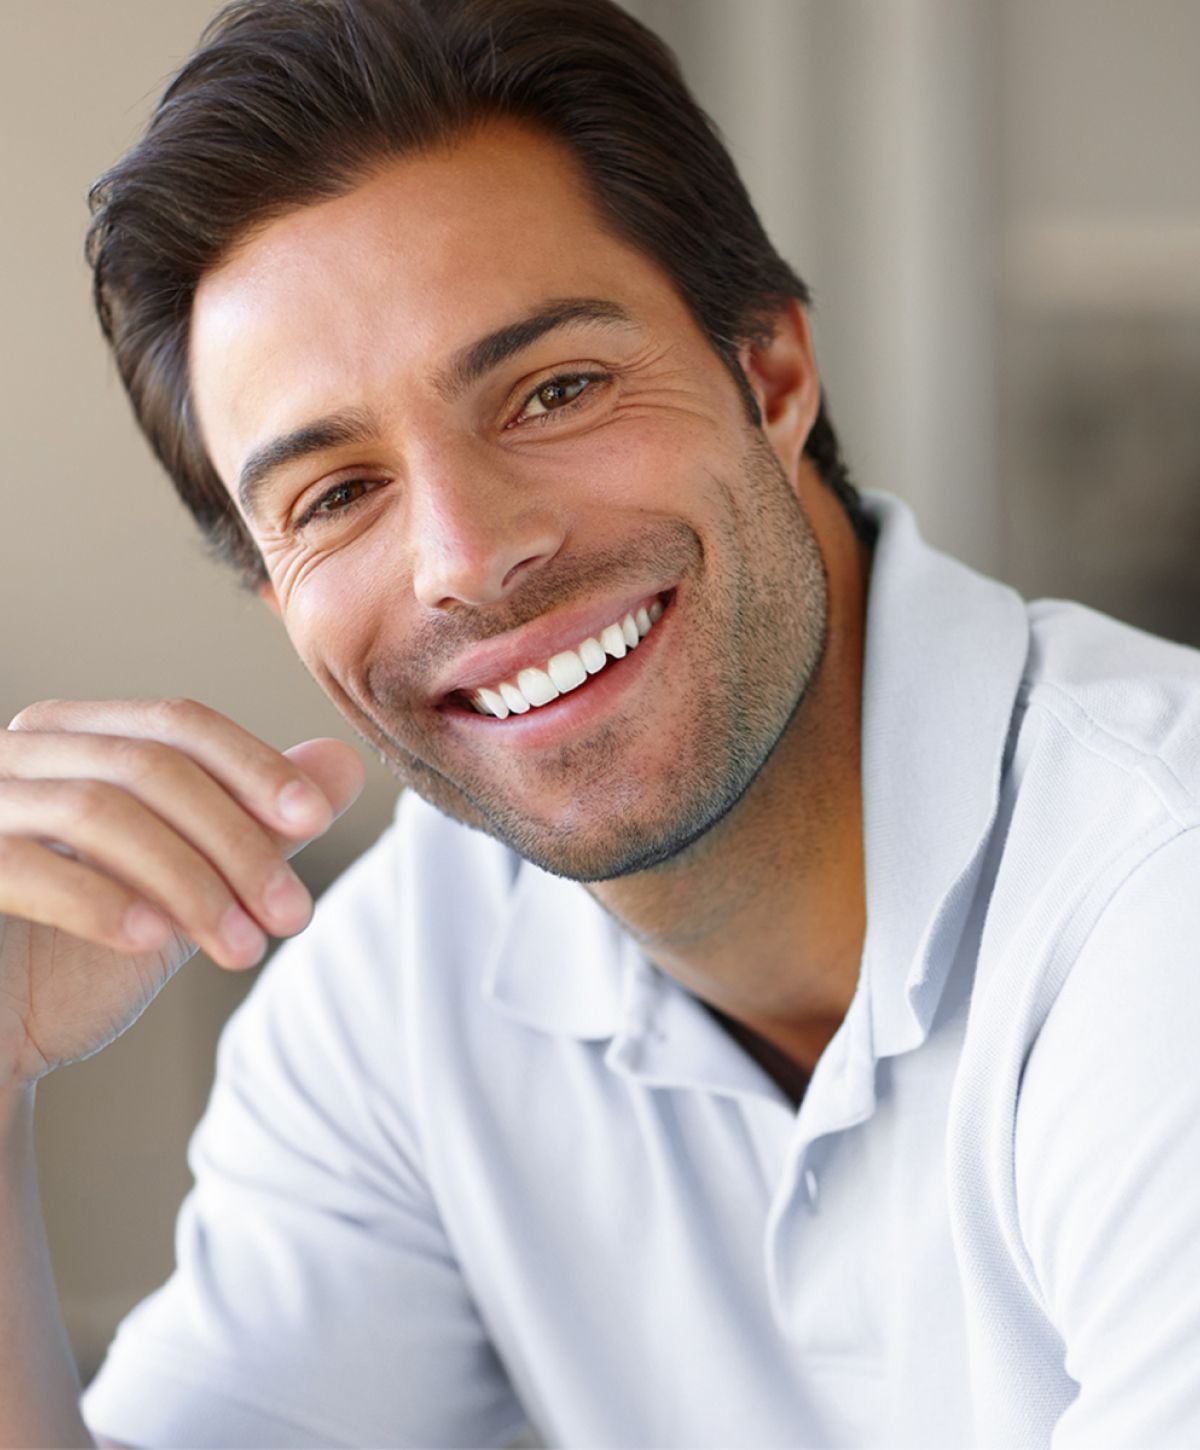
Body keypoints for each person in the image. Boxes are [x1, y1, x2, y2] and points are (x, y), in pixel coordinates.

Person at [2, 0, 1198, 1444]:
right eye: (337, 496)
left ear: (769, 373)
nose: (465, 556)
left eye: (553, 390)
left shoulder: (1156, 893)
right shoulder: (395, 990)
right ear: (280, 604)